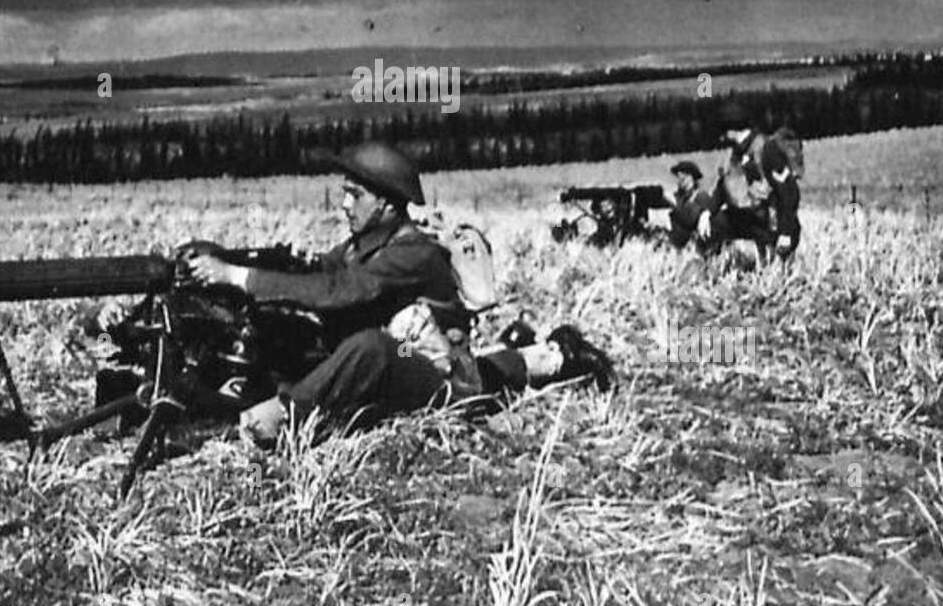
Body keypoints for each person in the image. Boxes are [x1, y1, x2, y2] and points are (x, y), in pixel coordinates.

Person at [183, 141, 611, 446]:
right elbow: (322, 272)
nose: (344, 205)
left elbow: (340, 289)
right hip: (416, 368)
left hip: (439, 383)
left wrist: (239, 276)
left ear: (387, 204)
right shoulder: (362, 245)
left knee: (374, 349)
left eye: (355, 195)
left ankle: (277, 422)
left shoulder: (414, 253)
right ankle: (547, 354)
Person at [703, 100, 801, 259]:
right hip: (748, 218)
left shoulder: (766, 149)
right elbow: (723, 188)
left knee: (768, 263)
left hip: (771, 223)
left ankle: (765, 259)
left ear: (731, 130)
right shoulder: (733, 154)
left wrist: (786, 232)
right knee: (713, 227)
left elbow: (789, 192)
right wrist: (706, 214)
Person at [664, 160, 713, 249]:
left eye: (683, 177)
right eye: (678, 177)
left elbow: (690, 219)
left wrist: (675, 205)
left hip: (695, 247)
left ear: (691, 178)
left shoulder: (701, 196)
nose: (679, 181)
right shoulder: (679, 197)